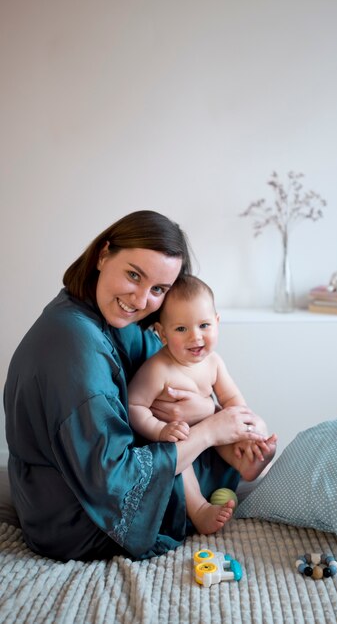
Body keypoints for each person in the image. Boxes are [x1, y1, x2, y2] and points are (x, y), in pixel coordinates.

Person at [4, 210, 274, 562]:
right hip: (75, 519)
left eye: (158, 289)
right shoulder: (74, 344)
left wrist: (210, 412)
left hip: (93, 479)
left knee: (224, 437)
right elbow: (111, 480)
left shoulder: (120, 321)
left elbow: (181, 378)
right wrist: (208, 432)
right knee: (199, 443)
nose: (140, 299)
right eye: (134, 275)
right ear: (103, 255)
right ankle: (220, 483)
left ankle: (241, 462)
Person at [128, 275, 277, 535]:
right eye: (181, 329)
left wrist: (248, 432)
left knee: (229, 429)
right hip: (177, 441)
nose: (195, 337)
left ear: (217, 323)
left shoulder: (214, 363)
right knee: (174, 452)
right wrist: (159, 430)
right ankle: (198, 509)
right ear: (162, 333)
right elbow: (133, 406)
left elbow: (232, 402)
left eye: (204, 325)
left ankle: (250, 462)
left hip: (209, 442)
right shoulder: (157, 370)